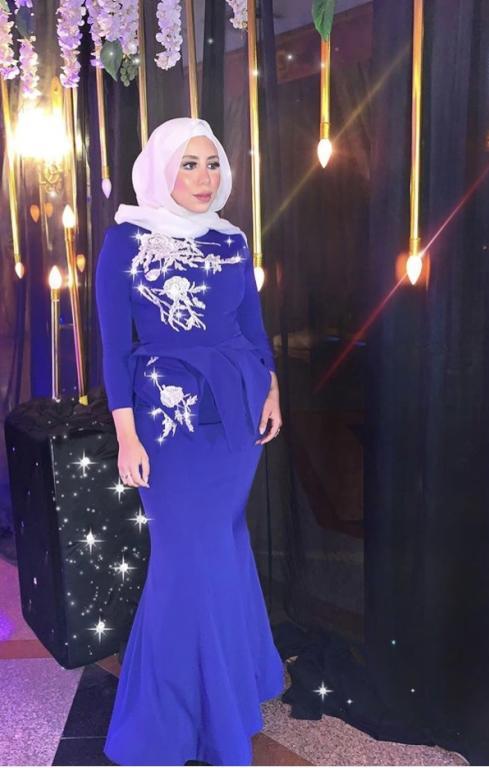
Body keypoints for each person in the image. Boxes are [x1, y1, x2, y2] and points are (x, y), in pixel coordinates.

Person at [95, 116, 285, 766]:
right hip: (167, 421)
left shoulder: (231, 239)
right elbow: (114, 348)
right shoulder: (126, 239)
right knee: (186, 562)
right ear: (161, 169)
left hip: (236, 411)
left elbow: (252, 324)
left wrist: (271, 388)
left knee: (224, 544)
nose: (205, 178)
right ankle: (175, 723)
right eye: (189, 164)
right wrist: (127, 436)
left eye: (212, 164)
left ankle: (236, 688)